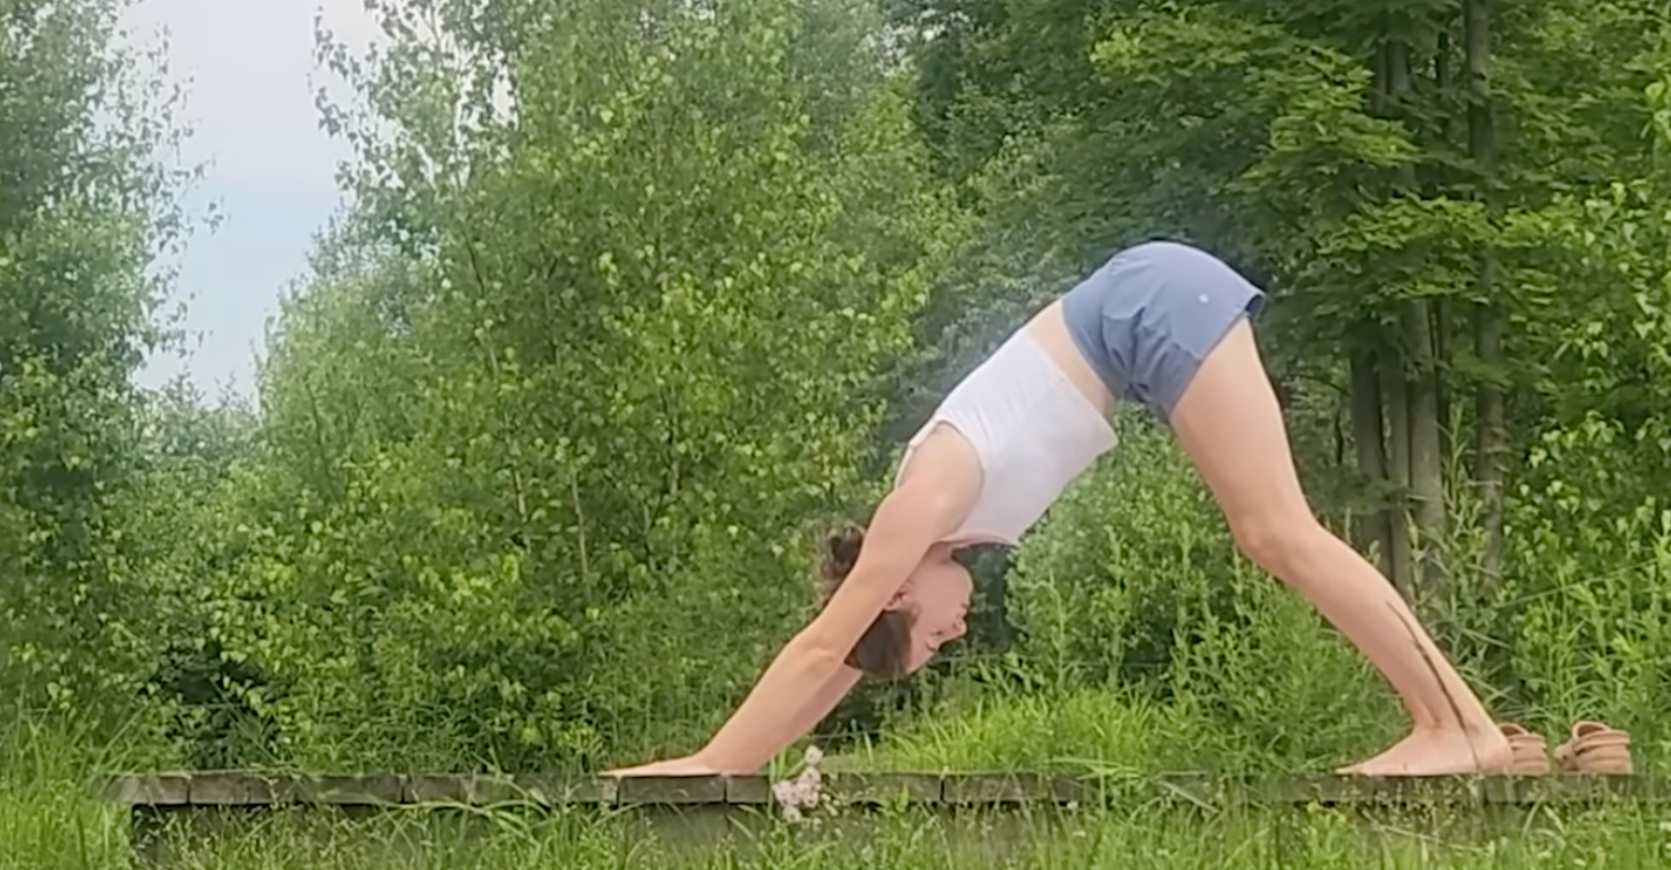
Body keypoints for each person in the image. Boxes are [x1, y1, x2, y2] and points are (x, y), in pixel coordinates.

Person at [608, 240, 1513, 779]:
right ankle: (1470, 725)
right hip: (1144, 318)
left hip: (1148, 309)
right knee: (1272, 530)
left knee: (1275, 530)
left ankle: (1458, 728)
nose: (953, 637)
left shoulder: (919, 504)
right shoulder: (931, 531)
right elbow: (839, 664)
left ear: (894, 592)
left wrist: (709, 767)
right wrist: (737, 763)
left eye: (930, 640)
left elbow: (817, 646)